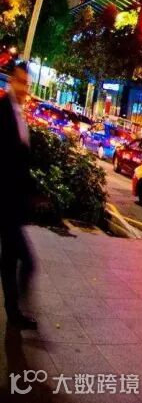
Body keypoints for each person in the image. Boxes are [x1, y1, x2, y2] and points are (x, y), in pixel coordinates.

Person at [0, 61, 36, 329]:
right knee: (27, 260)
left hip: (13, 201)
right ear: (12, 81)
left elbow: (21, 160)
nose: (25, 88)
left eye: (27, 83)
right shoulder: (3, 110)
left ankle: (14, 313)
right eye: (21, 82)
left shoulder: (18, 112)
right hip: (4, 201)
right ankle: (19, 308)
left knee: (10, 259)